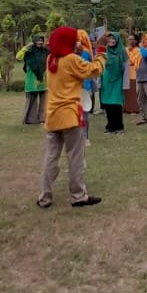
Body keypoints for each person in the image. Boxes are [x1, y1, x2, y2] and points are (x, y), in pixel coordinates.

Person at [37, 26, 107, 209]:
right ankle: (78, 196)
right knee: (75, 157)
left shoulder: (51, 59)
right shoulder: (72, 60)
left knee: (50, 157)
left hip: (52, 116)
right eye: (75, 39)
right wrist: (100, 51)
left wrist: (77, 50)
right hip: (70, 117)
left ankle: (45, 197)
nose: (78, 42)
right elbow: (95, 70)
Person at [17, 34, 48, 125]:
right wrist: (25, 47)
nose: (40, 42)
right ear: (34, 41)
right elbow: (18, 57)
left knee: (43, 101)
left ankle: (43, 119)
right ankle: (31, 120)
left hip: (43, 80)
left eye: (41, 40)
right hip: (32, 80)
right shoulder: (29, 52)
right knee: (31, 101)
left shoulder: (45, 51)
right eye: (38, 40)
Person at [101, 31, 127, 134]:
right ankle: (110, 126)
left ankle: (119, 127)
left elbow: (126, 67)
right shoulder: (105, 51)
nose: (112, 40)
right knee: (107, 103)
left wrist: (125, 84)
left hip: (118, 81)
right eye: (110, 39)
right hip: (107, 81)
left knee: (116, 103)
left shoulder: (122, 51)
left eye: (114, 39)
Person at [124, 34, 140, 114]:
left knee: (133, 93)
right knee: (126, 92)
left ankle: (134, 109)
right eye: (129, 39)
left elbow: (132, 61)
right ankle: (126, 108)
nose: (129, 41)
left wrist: (129, 53)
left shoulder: (138, 50)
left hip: (134, 74)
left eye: (131, 39)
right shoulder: (125, 49)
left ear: (136, 41)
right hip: (125, 74)